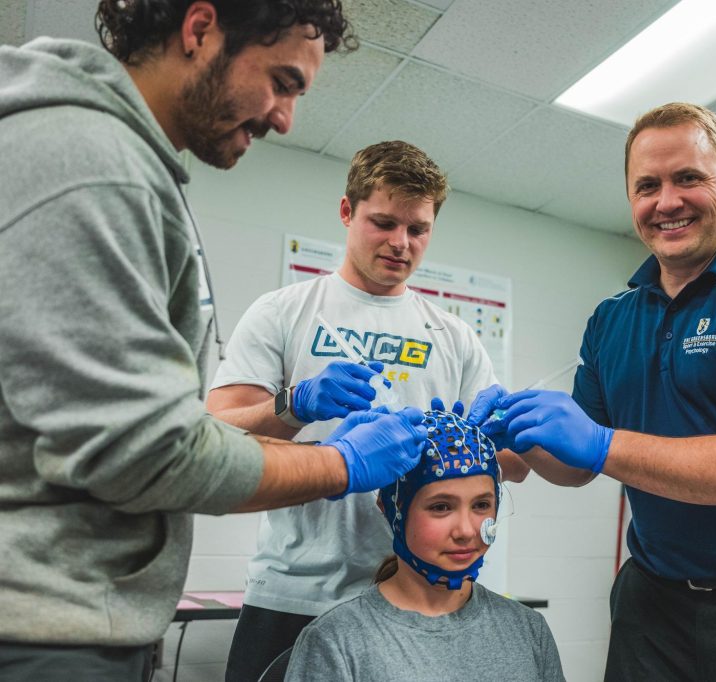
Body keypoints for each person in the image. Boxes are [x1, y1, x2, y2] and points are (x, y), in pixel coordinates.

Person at [0, 2, 428, 679]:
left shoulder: (131, 170)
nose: (285, 117)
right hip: (37, 626)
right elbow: (151, 452)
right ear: (201, 29)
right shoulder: (93, 164)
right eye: (282, 81)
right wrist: (340, 462)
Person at [470, 102, 716, 681]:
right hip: (653, 603)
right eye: (647, 186)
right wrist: (517, 438)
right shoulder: (611, 318)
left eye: (689, 178)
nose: (667, 201)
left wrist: (601, 442)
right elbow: (577, 464)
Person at [206, 139, 529, 680]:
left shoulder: (452, 336)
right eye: (383, 223)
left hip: (413, 593)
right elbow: (212, 437)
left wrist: (494, 437)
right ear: (346, 212)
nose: (401, 243)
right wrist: (293, 405)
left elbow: (511, 468)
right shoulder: (284, 312)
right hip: (295, 591)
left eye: (418, 229)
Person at [285, 407, 564, 682]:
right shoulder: (336, 642)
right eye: (441, 507)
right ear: (391, 509)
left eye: (481, 505)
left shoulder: (528, 630)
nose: (466, 531)